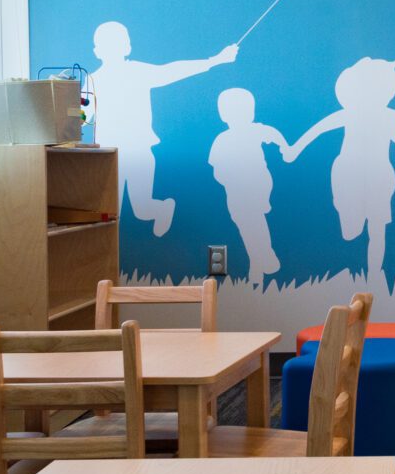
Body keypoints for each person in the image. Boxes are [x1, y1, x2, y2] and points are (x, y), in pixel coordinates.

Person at [84, 20, 236, 237]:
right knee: (109, 213)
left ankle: (163, 208)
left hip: (140, 152)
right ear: (97, 51)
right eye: (108, 45)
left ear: (127, 47)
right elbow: (81, 115)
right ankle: (107, 261)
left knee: (142, 208)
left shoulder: (137, 71)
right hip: (108, 157)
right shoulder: (92, 81)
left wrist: (215, 61)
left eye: (118, 44)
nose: (114, 50)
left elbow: (172, 71)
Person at [286, 57, 395, 282]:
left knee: (378, 227)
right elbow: (319, 129)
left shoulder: (391, 116)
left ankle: (373, 277)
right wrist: (295, 148)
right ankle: (349, 217)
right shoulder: (350, 113)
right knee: (350, 231)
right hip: (347, 174)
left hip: (380, 175)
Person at [206, 88, 290, 279]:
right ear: (223, 115)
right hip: (234, 189)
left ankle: (262, 259)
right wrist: (225, 178)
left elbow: (273, 133)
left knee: (254, 220)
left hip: (258, 183)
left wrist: (285, 146)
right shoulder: (222, 139)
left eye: (245, 110)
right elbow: (216, 167)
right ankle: (261, 258)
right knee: (246, 223)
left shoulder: (255, 130)